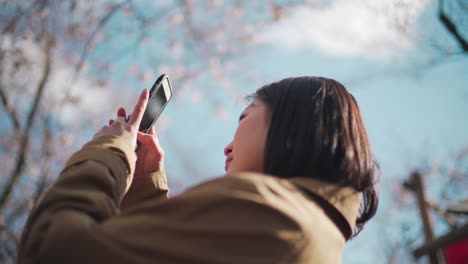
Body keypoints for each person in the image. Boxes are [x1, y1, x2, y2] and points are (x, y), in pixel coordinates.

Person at [18, 76, 378, 263]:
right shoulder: (313, 234)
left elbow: (52, 249)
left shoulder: (276, 217)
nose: (228, 145)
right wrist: (144, 186)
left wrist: (110, 151)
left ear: (291, 129)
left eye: (243, 118)